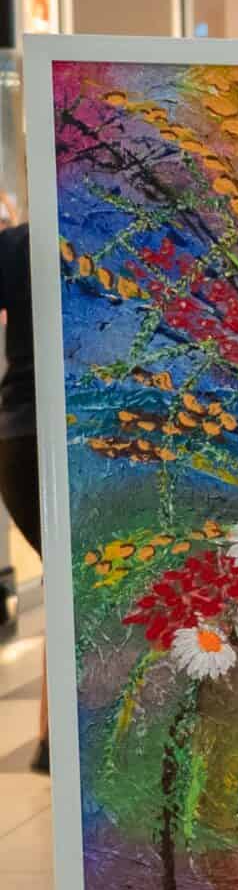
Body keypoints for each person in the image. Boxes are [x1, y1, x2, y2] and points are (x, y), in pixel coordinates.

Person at [0, 224, 47, 772]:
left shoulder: (15, 244)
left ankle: (52, 741)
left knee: (67, 591)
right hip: (49, 438)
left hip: (16, 439)